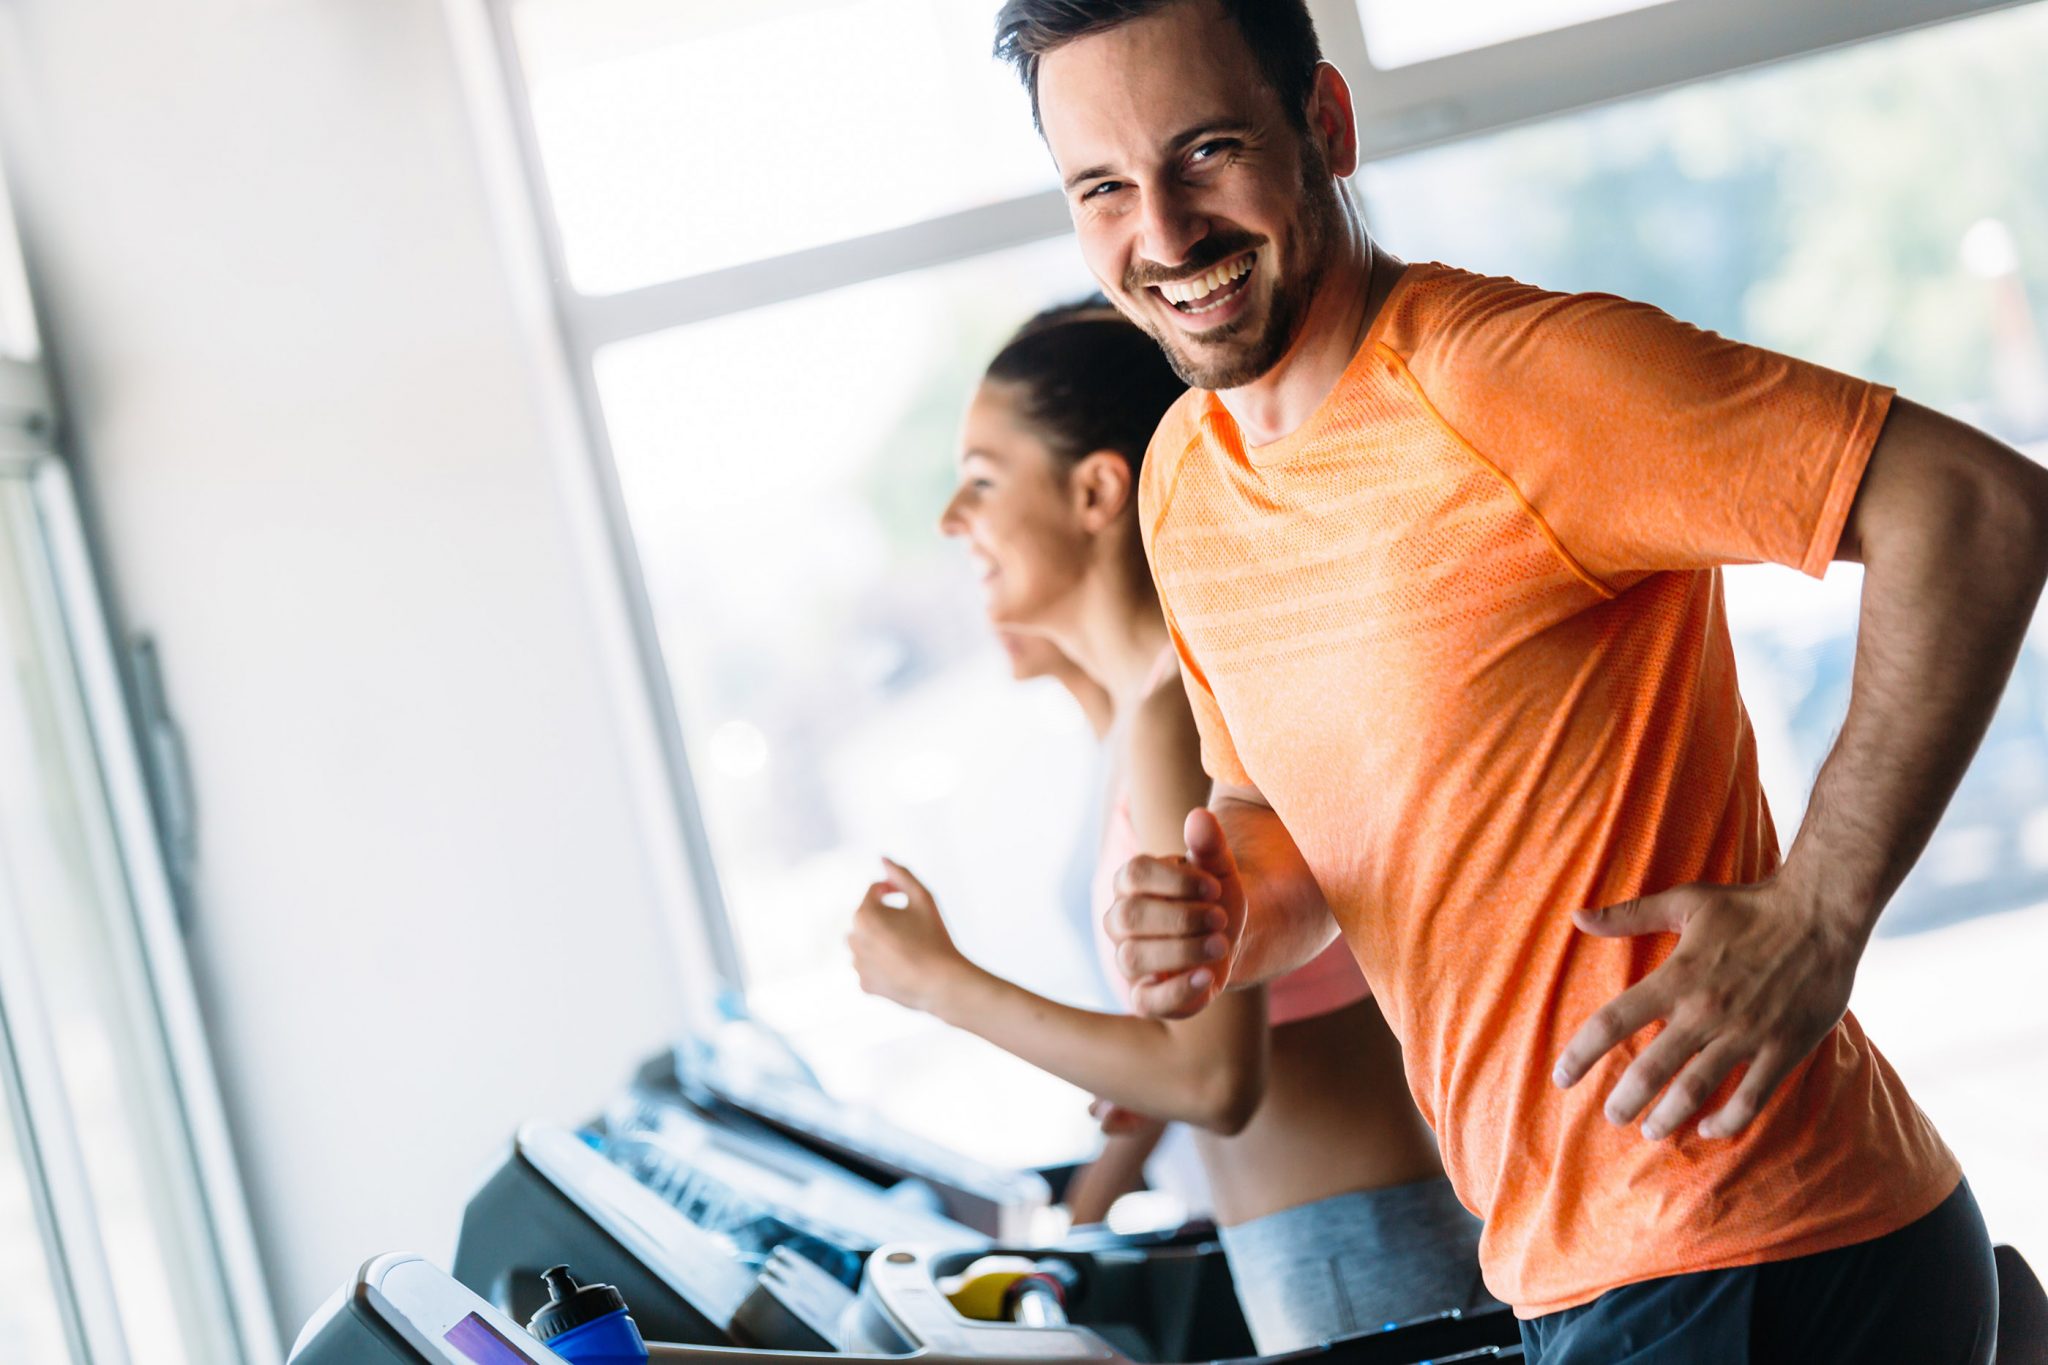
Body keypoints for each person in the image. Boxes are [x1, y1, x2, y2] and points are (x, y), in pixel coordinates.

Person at [990, 2, 2048, 1360]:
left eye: (1205, 153)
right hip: (1572, 1260)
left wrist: (1820, 913)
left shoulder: (1511, 383)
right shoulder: (1188, 481)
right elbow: (1286, 834)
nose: (1167, 230)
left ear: (1325, 126)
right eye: (1105, 187)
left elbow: (1975, 508)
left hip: (1753, 1237)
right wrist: (1222, 908)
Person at [847, 303, 1490, 1351]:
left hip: (1366, 1261)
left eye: (980, 480)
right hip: (1332, 1253)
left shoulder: (1171, 715)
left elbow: (1211, 1080)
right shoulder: (1160, 707)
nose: (948, 521)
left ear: (1096, 490)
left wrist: (935, 983)